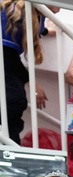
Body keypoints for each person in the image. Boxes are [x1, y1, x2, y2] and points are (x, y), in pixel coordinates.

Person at [1, 1, 53, 144]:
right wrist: (30, 81)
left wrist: (46, 30)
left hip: (8, 71)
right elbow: (5, 54)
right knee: (13, 101)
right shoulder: (15, 11)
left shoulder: (34, 15)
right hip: (6, 73)